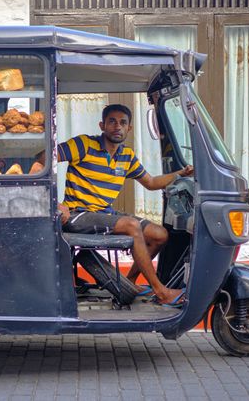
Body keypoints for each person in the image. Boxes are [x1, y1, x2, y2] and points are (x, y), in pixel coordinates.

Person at [56, 104, 193, 305]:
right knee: (131, 226)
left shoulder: (126, 157)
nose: (117, 127)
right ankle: (161, 291)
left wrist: (180, 174)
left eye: (123, 122)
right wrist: (56, 204)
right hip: (78, 214)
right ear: (102, 125)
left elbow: (152, 183)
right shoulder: (84, 144)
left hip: (105, 214)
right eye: (112, 121)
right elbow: (43, 160)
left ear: (129, 128)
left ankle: (128, 282)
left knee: (160, 235)